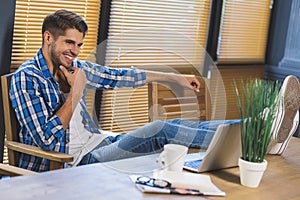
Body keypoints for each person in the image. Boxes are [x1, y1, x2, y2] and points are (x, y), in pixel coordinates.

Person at [10, 10, 299, 172]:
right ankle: (259, 132)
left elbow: (121, 77)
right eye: (69, 43)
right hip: (69, 164)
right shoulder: (26, 79)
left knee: (168, 128)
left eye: (79, 45)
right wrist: (76, 93)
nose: (75, 51)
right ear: (48, 37)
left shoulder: (74, 68)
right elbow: (48, 141)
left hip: (95, 145)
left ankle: (259, 132)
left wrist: (177, 79)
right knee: (160, 130)